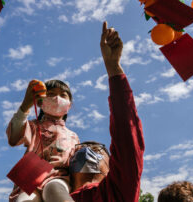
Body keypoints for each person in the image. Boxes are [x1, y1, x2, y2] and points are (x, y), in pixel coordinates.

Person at [69, 21, 145, 202]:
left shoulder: (117, 192)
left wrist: (113, 68)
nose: (88, 152)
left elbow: (126, 136)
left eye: (97, 150)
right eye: (80, 150)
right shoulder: (54, 196)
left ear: (111, 166)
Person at [6, 79, 79, 202]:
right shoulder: (33, 126)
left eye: (63, 95)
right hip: (31, 180)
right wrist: (25, 106)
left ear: (69, 105)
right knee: (24, 199)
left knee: (54, 190)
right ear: (40, 102)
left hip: (59, 178)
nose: (57, 98)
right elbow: (14, 137)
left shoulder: (73, 136)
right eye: (51, 94)